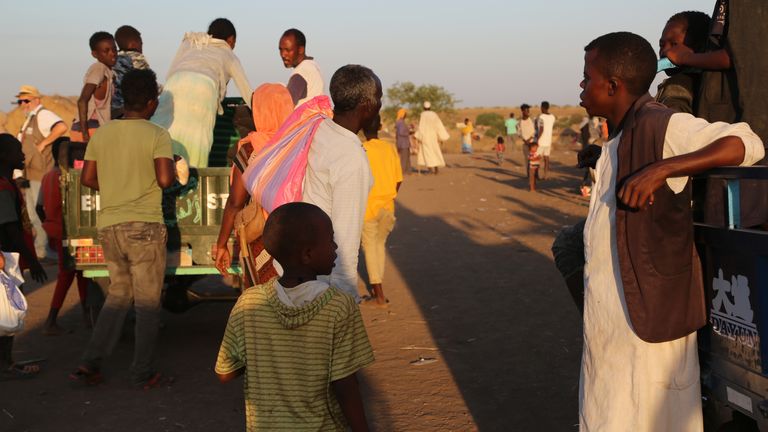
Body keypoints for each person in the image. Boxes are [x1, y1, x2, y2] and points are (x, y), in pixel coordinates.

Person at [577, 32, 763, 431]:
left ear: (612, 86)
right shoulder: (619, 135)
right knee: (609, 411)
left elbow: (746, 143)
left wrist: (663, 168)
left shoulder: (661, 123)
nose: (580, 85)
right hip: (614, 319)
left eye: (586, 76)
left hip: (649, 321)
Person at [216, 65, 382, 302]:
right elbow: (346, 243)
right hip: (319, 287)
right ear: (367, 107)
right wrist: (346, 304)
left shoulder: (316, 127)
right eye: (380, 99)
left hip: (290, 271)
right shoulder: (349, 157)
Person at [216, 202, 374, 431]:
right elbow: (345, 384)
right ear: (308, 254)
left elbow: (225, 372)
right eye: (330, 240)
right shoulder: (339, 306)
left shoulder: (249, 303)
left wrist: (265, 354)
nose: (336, 246)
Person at [70, 69, 175, 388]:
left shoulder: (102, 134)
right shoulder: (157, 135)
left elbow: (87, 179)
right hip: (144, 226)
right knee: (146, 304)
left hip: (110, 226)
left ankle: (90, 362)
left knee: (118, 295)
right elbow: (165, 180)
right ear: (152, 102)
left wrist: (116, 188)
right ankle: (142, 371)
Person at [215, 83, 295, 287]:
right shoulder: (301, 143)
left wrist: (222, 244)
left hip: (263, 236)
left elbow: (235, 202)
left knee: (263, 304)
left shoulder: (251, 150)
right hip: (299, 232)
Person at [151, 18, 252, 167]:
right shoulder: (227, 52)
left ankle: (159, 171)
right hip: (204, 89)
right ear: (231, 40)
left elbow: (172, 70)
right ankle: (191, 183)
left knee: (164, 133)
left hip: (174, 84)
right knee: (196, 141)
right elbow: (247, 92)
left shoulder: (191, 41)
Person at [0, 133, 47, 379]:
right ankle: (5, 364)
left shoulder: (8, 184)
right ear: (4, 156)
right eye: (18, 151)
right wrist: (34, 259)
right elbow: (10, 229)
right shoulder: (3, 187)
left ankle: (7, 361)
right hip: (4, 259)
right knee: (7, 311)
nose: (23, 155)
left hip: (8, 257)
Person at [38, 139, 89, 335]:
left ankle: (85, 314)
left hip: (57, 231)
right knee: (70, 273)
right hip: (70, 231)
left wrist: (50, 223)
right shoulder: (70, 177)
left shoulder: (48, 176)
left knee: (77, 272)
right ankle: (51, 320)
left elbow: (38, 207)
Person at [14, 85, 68, 259]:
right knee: (31, 214)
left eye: (26, 100)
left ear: (36, 100)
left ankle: (44, 249)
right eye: (20, 101)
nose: (23, 104)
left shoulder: (43, 115)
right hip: (30, 173)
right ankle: (42, 249)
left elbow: (61, 127)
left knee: (39, 211)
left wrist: (44, 144)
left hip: (40, 172)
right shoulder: (29, 118)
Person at [361, 114, 402, 307]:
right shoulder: (389, 148)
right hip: (388, 205)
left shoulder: (361, 150)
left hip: (368, 207)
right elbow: (398, 179)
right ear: (379, 126)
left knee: (370, 247)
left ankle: (378, 293)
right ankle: (379, 287)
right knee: (379, 245)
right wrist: (390, 195)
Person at [655, 11, 711, 114]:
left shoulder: (678, 85)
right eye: (662, 45)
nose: (664, 52)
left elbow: (670, 124)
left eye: (674, 44)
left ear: (698, 47)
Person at [73, 31, 117, 142]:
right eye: (106, 51)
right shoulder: (99, 68)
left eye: (114, 49)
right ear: (95, 54)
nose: (112, 53)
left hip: (95, 128)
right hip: (90, 128)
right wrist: (85, 134)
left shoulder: (109, 73)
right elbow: (82, 101)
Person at [112, 25, 150, 119]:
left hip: (111, 108)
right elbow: (149, 83)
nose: (142, 47)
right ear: (133, 44)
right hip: (126, 109)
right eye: (141, 44)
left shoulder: (114, 59)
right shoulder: (137, 57)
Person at [279, 28, 324, 107]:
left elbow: (286, 106)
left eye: (287, 50)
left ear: (301, 50)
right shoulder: (313, 66)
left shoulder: (301, 72)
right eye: (281, 49)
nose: (283, 54)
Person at [415, 101, 449, 174]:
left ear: (424, 107)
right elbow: (439, 126)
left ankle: (430, 169)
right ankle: (436, 169)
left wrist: (418, 137)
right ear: (430, 107)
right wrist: (440, 137)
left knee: (427, 153)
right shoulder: (434, 114)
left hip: (425, 137)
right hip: (433, 137)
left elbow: (421, 127)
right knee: (434, 151)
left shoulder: (423, 115)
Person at [536, 101, 555, 179]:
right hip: (548, 140)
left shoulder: (541, 117)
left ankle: (537, 174)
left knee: (537, 158)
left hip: (541, 141)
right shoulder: (552, 117)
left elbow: (541, 129)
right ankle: (545, 175)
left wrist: (537, 139)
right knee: (546, 158)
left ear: (542, 107)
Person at [518, 104, 535, 174]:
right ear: (522, 111)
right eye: (526, 110)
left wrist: (529, 139)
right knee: (527, 160)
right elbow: (519, 133)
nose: (528, 112)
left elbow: (535, 131)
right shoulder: (519, 122)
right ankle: (528, 174)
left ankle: (535, 175)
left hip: (533, 143)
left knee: (534, 160)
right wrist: (524, 140)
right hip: (525, 144)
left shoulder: (532, 120)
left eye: (528, 110)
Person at [395, 108, 412, 174]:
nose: (406, 115)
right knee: (404, 159)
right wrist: (409, 132)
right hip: (403, 143)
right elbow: (401, 132)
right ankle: (403, 172)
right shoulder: (400, 122)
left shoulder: (399, 122)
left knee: (407, 157)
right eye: (405, 114)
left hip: (402, 143)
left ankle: (408, 171)